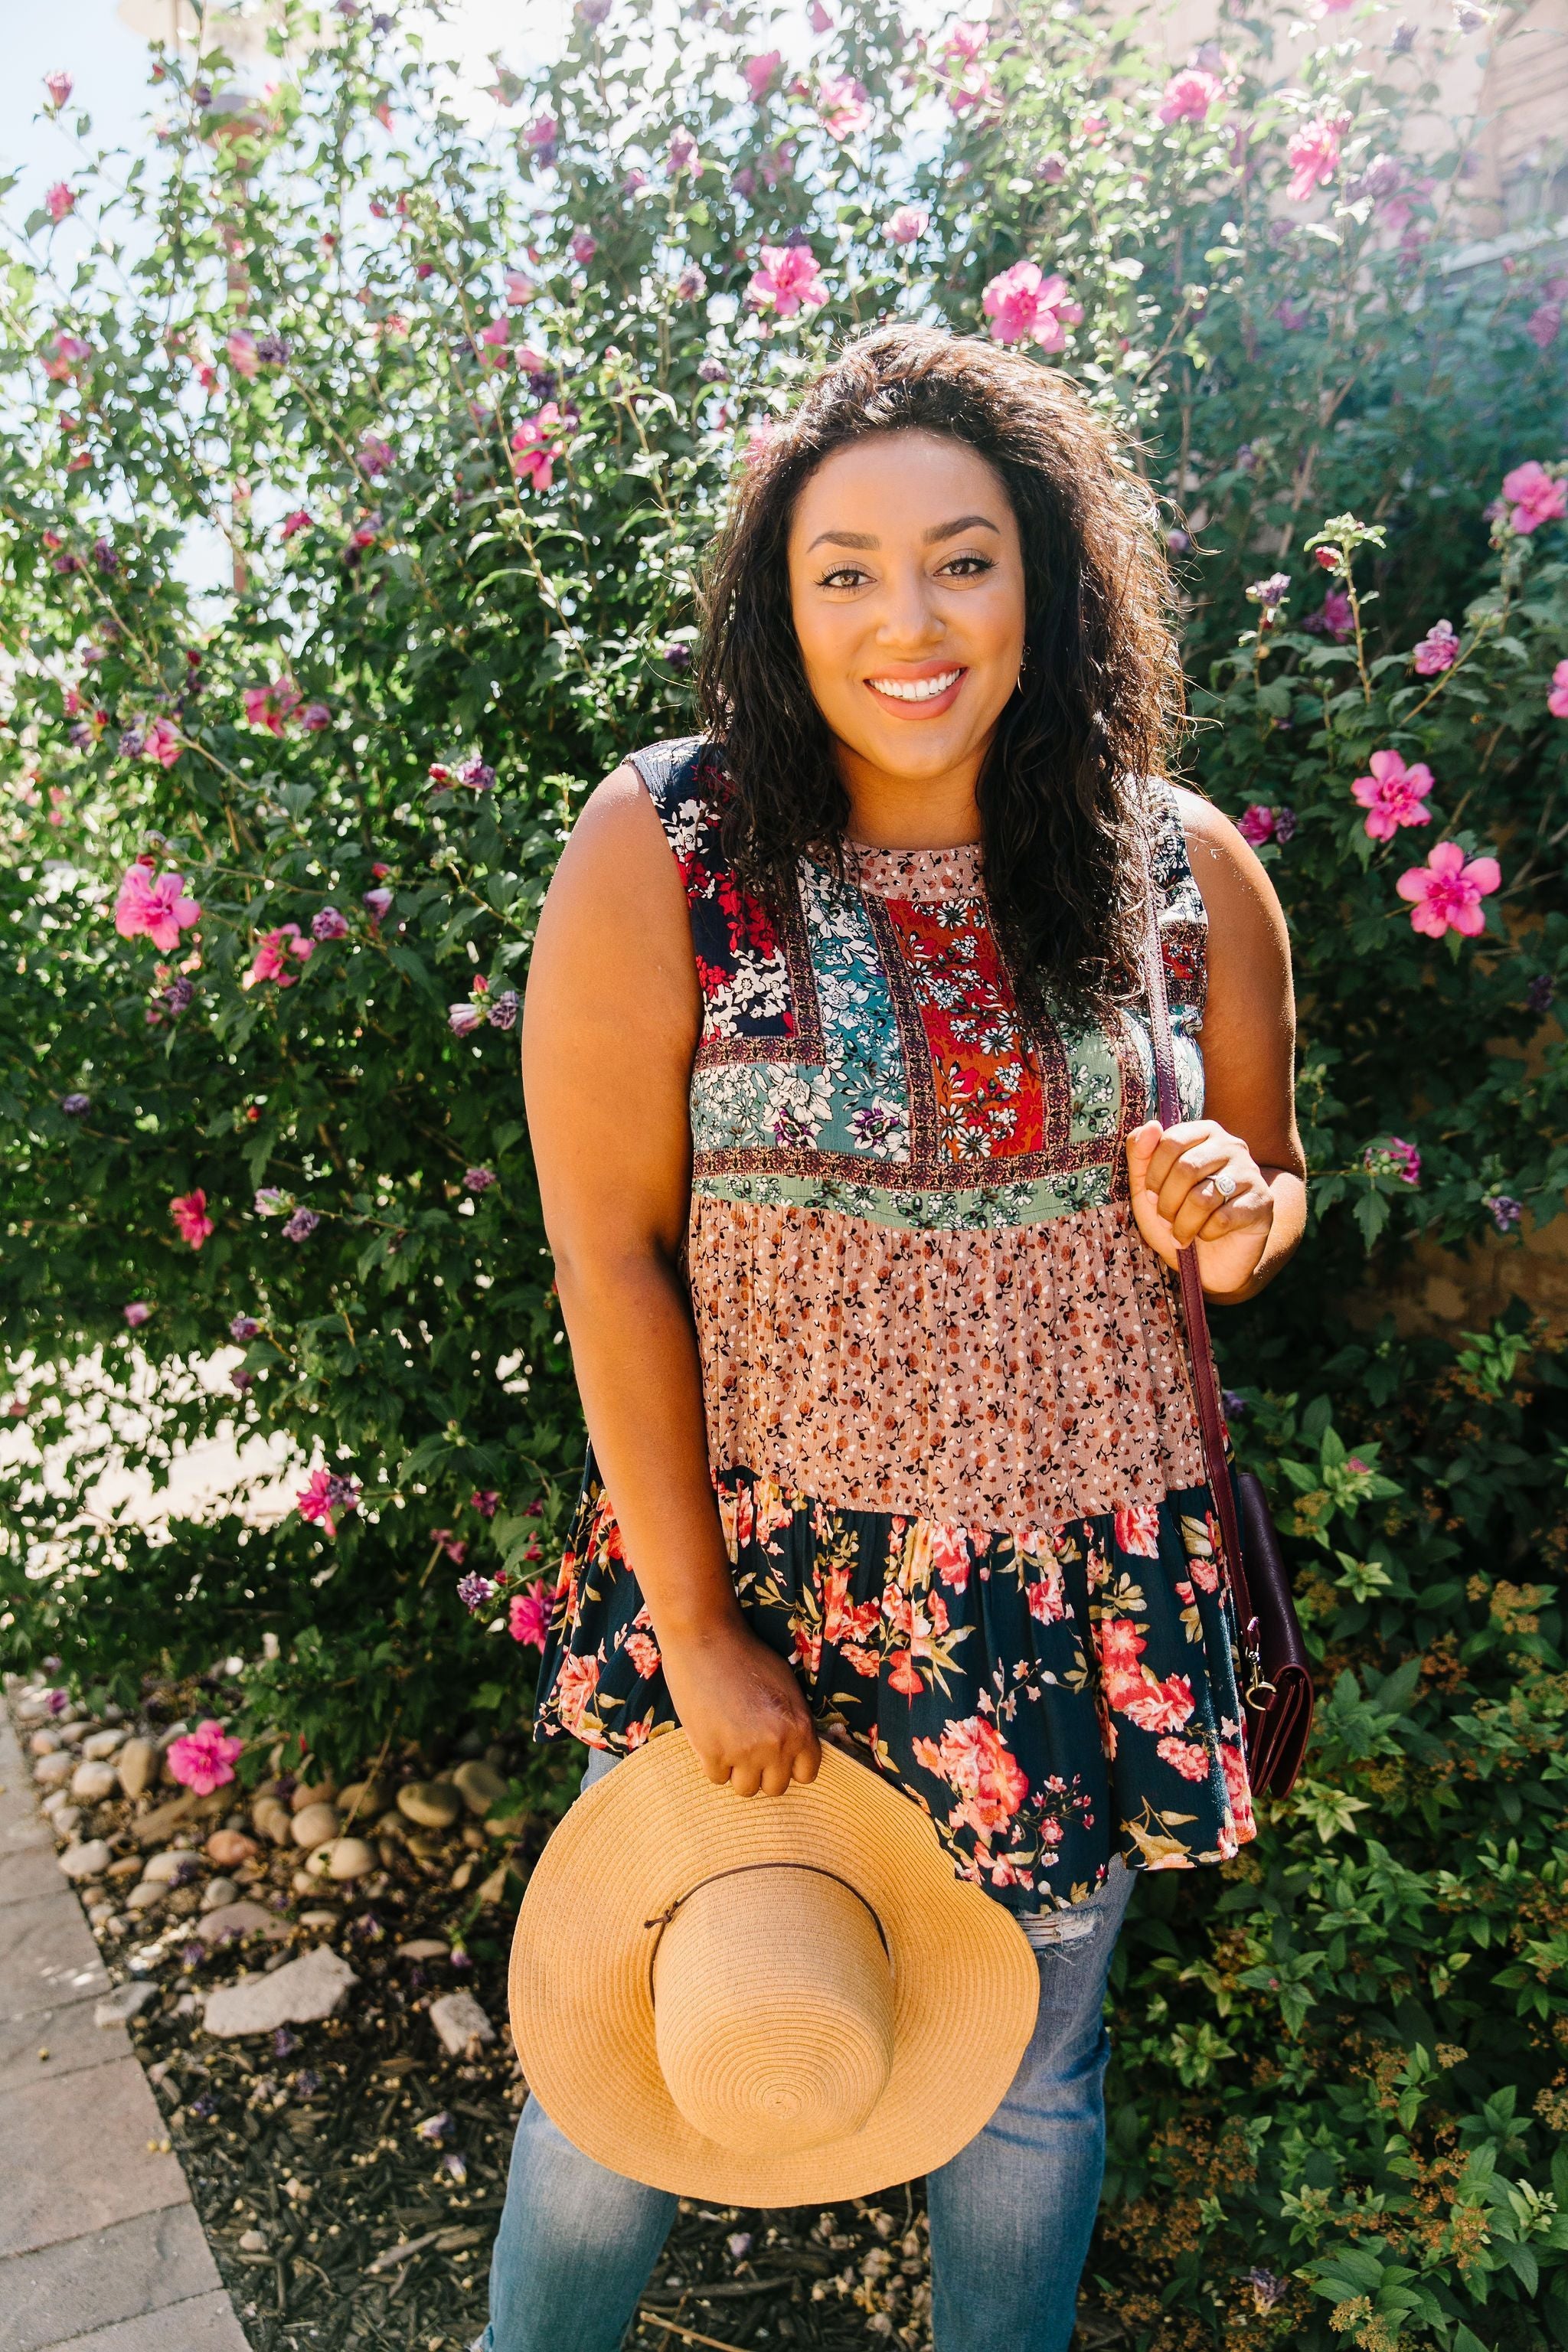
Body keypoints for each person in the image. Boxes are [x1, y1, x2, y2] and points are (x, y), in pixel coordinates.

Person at [483, 322, 1305, 2352]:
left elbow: (1263, 1213)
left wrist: (1238, 1212)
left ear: (1045, 572)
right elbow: (607, 1255)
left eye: (961, 557)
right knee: (631, 2067)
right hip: (760, 1582)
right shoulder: (670, 848)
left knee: (1028, 2084)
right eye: (844, 571)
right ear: (782, 607)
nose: (906, 619)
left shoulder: (1180, 871)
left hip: (1067, 1595)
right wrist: (694, 1629)